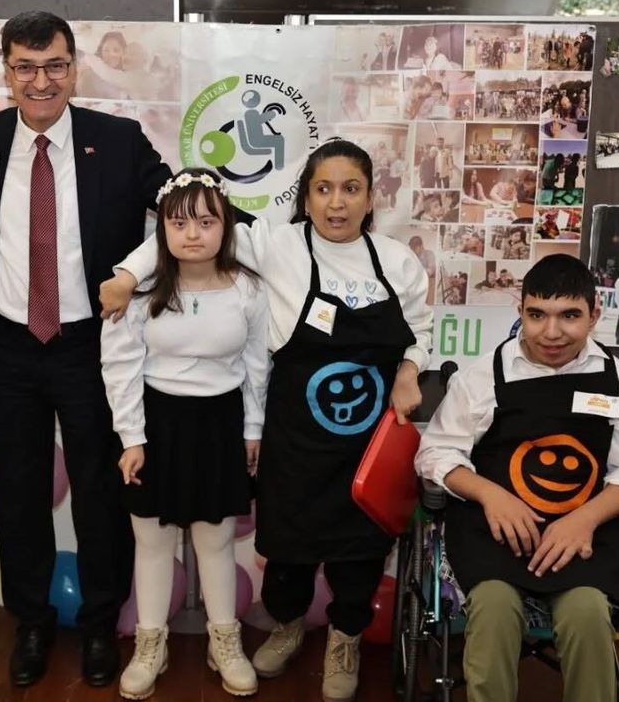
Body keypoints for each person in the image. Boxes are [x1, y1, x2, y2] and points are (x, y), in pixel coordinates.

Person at [102, 140, 433, 702]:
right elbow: (186, 225)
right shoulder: (276, 245)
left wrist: (409, 368)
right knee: (288, 545)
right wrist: (127, 277)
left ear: (370, 197)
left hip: (368, 437)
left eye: (350, 189)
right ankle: (287, 626)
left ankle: (345, 640)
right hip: (296, 430)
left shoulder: (397, 261)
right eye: (323, 189)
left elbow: (420, 329)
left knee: (360, 546)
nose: (336, 203)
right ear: (305, 197)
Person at [0, 10, 172, 689]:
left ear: (74, 68)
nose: (41, 81)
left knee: (100, 491)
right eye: (25, 67)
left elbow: (179, 205)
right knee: (20, 491)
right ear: (5, 71)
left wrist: (139, 269)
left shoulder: (116, 140)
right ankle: (30, 621)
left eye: (54, 65)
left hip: (91, 346)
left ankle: (99, 623)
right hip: (7, 346)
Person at [414, 253, 619, 702]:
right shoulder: (485, 374)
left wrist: (584, 519)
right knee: (493, 609)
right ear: (521, 311)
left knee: (587, 612)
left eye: (569, 316)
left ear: (594, 315)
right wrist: (490, 495)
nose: (551, 332)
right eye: (537, 314)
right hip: (496, 530)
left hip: (580, 530)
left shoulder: (613, 377)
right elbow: (436, 453)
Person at [101, 169, 269, 699]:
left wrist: (253, 428)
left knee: (215, 541)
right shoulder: (140, 290)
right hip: (156, 424)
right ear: (162, 230)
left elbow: (257, 364)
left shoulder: (248, 288)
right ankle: (151, 644)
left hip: (220, 424)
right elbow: (120, 365)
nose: (192, 233)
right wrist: (132, 438)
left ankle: (225, 642)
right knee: (151, 541)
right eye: (179, 223)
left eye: (206, 221)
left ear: (226, 226)